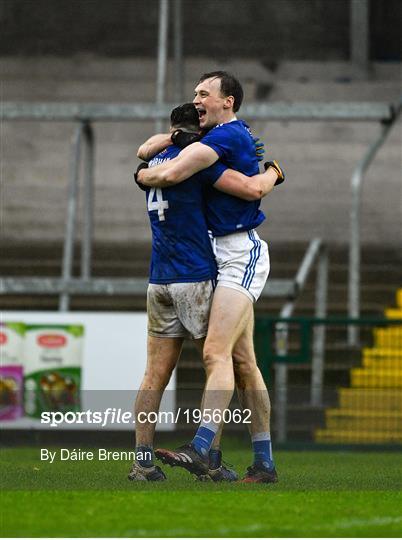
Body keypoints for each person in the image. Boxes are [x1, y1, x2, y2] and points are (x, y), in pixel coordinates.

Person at [137, 71, 284, 483]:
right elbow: (249, 182)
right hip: (215, 254)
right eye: (195, 93)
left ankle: (201, 448)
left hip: (241, 253)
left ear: (228, 102)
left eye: (205, 93)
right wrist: (271, 173)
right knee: (243, 362)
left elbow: (250, 189)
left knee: (213, 353)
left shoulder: (226, 138)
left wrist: (141, 175)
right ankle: (264, 463)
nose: (197, 98)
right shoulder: (214, 142)